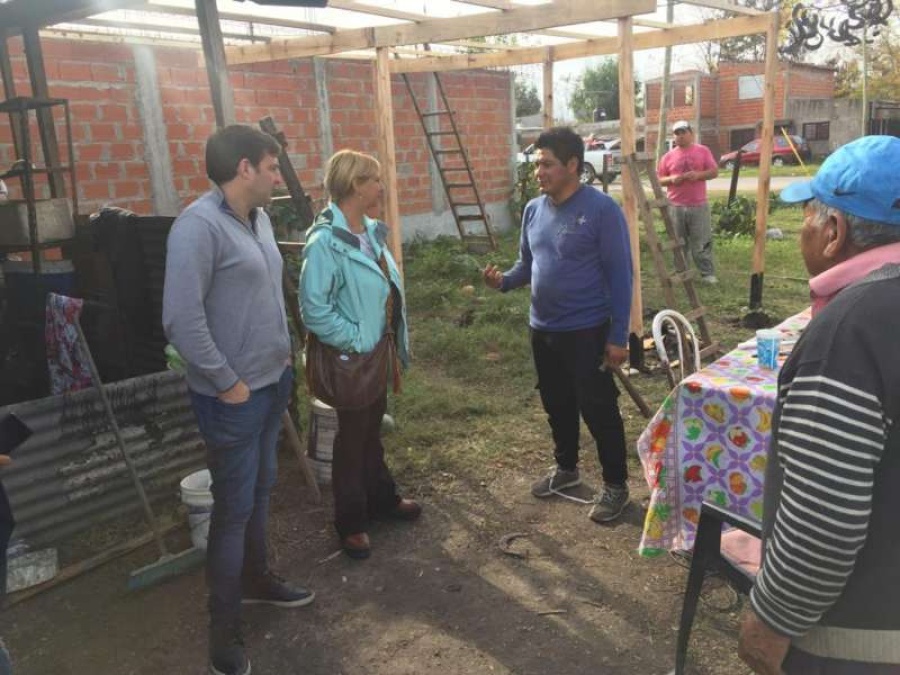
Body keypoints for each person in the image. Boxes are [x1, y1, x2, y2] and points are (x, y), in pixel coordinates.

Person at [737, 135, 900, 675]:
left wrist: (769, 620)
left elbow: (822, 521)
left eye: (809, 212)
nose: (803, 226)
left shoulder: (850, 330)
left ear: (835, 233)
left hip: (858, 645)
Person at [163, 125, 314, 675]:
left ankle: (256, 580)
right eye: (271, 167)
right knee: (232, 512)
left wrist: (284, 359)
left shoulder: (260, 219)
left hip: (272, 385)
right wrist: (226, 380)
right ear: (244, 168)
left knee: (261, 491)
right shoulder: (197, 228)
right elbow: (181, 319)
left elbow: (265, 295)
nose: (278, 177)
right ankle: (223, 635)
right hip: (233, 399)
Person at [483, 126, 633, 524]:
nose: (539, 172)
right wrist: (504, 282)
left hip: (587, 330)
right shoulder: (534, 210)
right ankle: (567, 469)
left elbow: (621, 276)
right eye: (537, 164)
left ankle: (616, 486)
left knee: (598, 408)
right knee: (557, 403)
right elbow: (527, 265)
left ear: (572, 165)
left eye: (547, 164)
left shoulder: (602, 211)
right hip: (543, 328)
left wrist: (618, 336)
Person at [299, 149, 419, 560]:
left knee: (370, 431)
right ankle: (350, 521)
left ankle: (381, 499)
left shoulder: (369, 232)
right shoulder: (324, 243)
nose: (382, 188)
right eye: (375, 180)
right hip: (354, 359)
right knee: (352, 439)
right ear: (356, 186)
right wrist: (354, 338)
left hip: (377, 353)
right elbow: (314, 309)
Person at [657, 120, 719, 283]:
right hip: (675, 205)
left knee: (701, 240)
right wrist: (672, 179)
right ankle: (681, 271)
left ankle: (707, 273)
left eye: (683, 132)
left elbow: (714, 172)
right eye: (677, 133)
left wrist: (698, 175)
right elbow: (659, 180)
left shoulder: (703, 151)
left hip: (698, 204)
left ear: (691, 134)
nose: (680, 136)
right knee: (678, 241)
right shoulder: (667, 156)